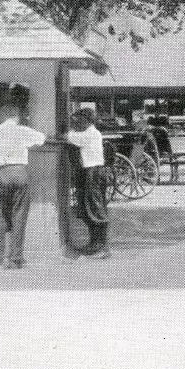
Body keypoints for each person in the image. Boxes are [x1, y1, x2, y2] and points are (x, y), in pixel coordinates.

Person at [0, 103, 45, 269]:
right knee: (19, 216)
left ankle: (3, 258)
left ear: (1, 117)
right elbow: (41, 139)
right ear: (17, 117)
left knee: (2, 216)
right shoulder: (23, 130)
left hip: (2, 173)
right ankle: (16, 258)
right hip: (20, 173)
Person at [66, 108, 111, 259]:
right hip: (89, 171)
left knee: (96, 207)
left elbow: (71, 137)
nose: (76, 123)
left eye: (79, 120)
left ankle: (102, 247)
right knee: (87, 208)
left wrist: (68, 132)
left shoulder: (91, 133)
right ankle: (94, 243)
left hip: (94, 171)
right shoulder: (87, 133)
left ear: (86, 120)